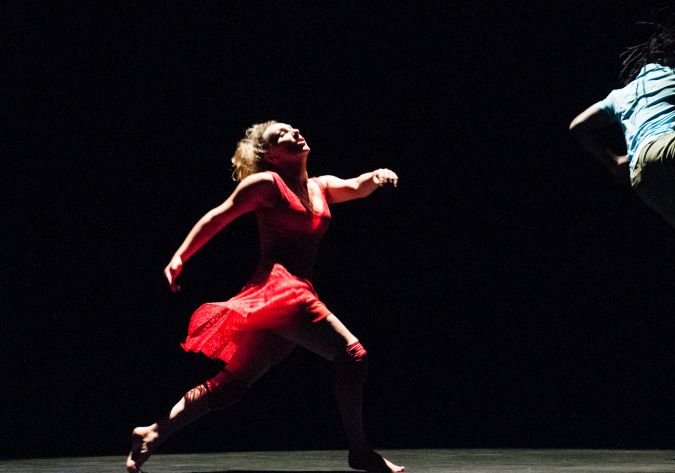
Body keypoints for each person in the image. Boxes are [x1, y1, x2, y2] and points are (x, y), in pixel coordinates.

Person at [126, 120, 405, 473]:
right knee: (353, 355)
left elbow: (355, 186)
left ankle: (153, 431)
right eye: (281, 135)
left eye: (293, 128)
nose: (294, 133)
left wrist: (376, 176)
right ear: (270, 154)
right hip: (281, 290)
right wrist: (181, 255)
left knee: (232, 385)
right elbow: (219, 216)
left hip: (289, 294)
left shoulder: (319, 186)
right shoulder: (267, 183)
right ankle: (360, 450)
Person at [569, 18, 675, 229]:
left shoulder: (619, 96)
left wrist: (614, 162)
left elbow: (577, 125)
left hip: (642, 173)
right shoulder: (671, 74)